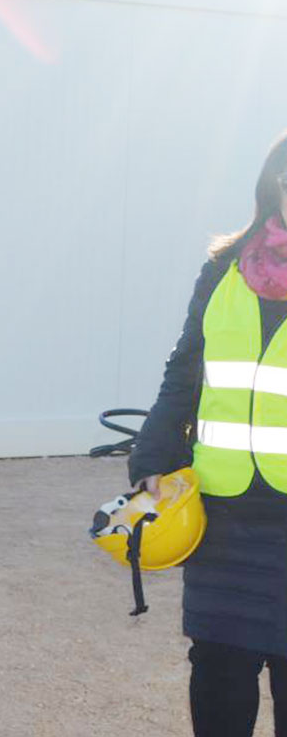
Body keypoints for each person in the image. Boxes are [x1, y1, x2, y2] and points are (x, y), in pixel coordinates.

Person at [130, 132, 287, 737]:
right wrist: (152, 457)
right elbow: (184, 372)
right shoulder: (224, 269)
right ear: (273, 186)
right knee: (219, 676)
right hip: (223, 520)